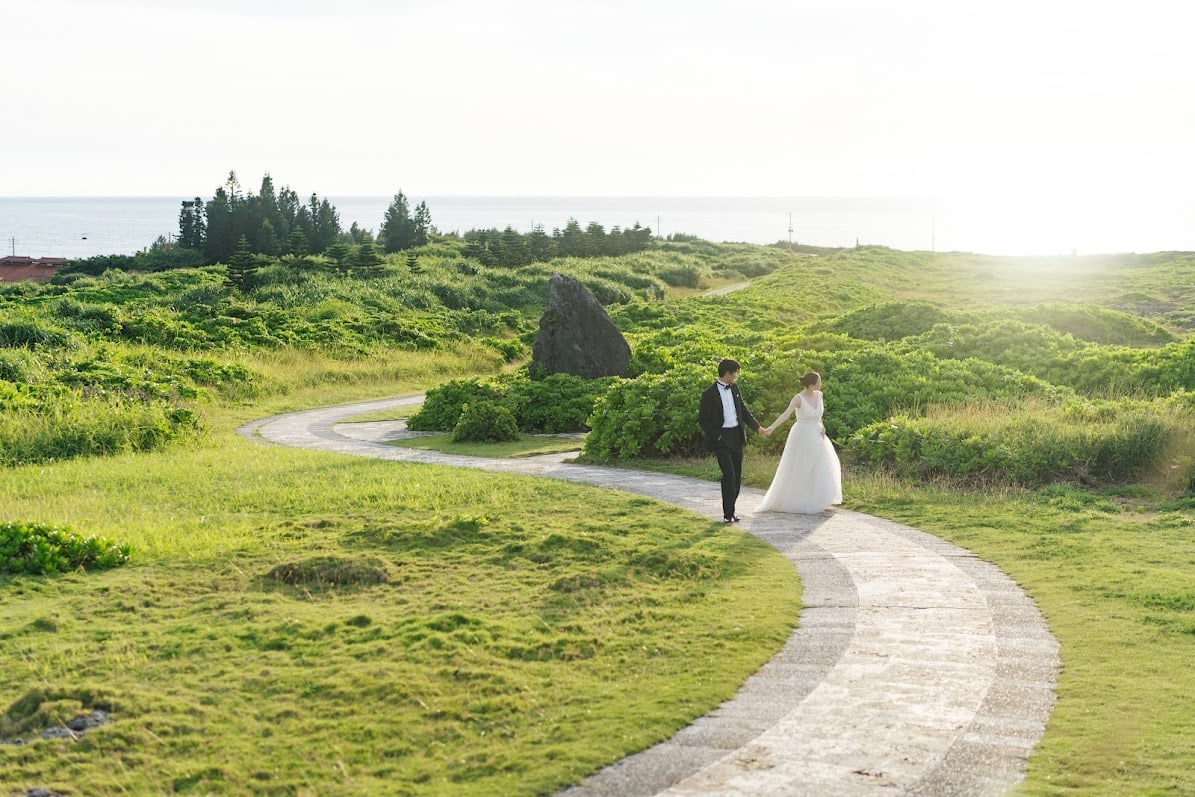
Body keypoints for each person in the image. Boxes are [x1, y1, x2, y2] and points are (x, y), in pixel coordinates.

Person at [759, 371, 842, 514]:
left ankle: (817, 498)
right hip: (802, 434)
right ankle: (799, 498)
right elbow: (786, 415)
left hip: (818, 434)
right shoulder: (798, 398)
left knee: (821, 465)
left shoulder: (819, 395)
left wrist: (822, 427)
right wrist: (771, 428)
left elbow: (819, 416)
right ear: (811, 384)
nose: (820, 384)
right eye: (819, 381)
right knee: (802, 465)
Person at [698, 358, 770, 523]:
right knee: (728, 475)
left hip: (737, 437)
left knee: (737, 477)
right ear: (728, 373)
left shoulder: (735, 388)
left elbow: (743, 411)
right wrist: (717, 436)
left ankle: (731, 510)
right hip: (721, 439)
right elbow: (703, 420)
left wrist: (758, 428)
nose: (736, 376)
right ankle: (728, 513)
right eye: (735, 373)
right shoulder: (708, 394)